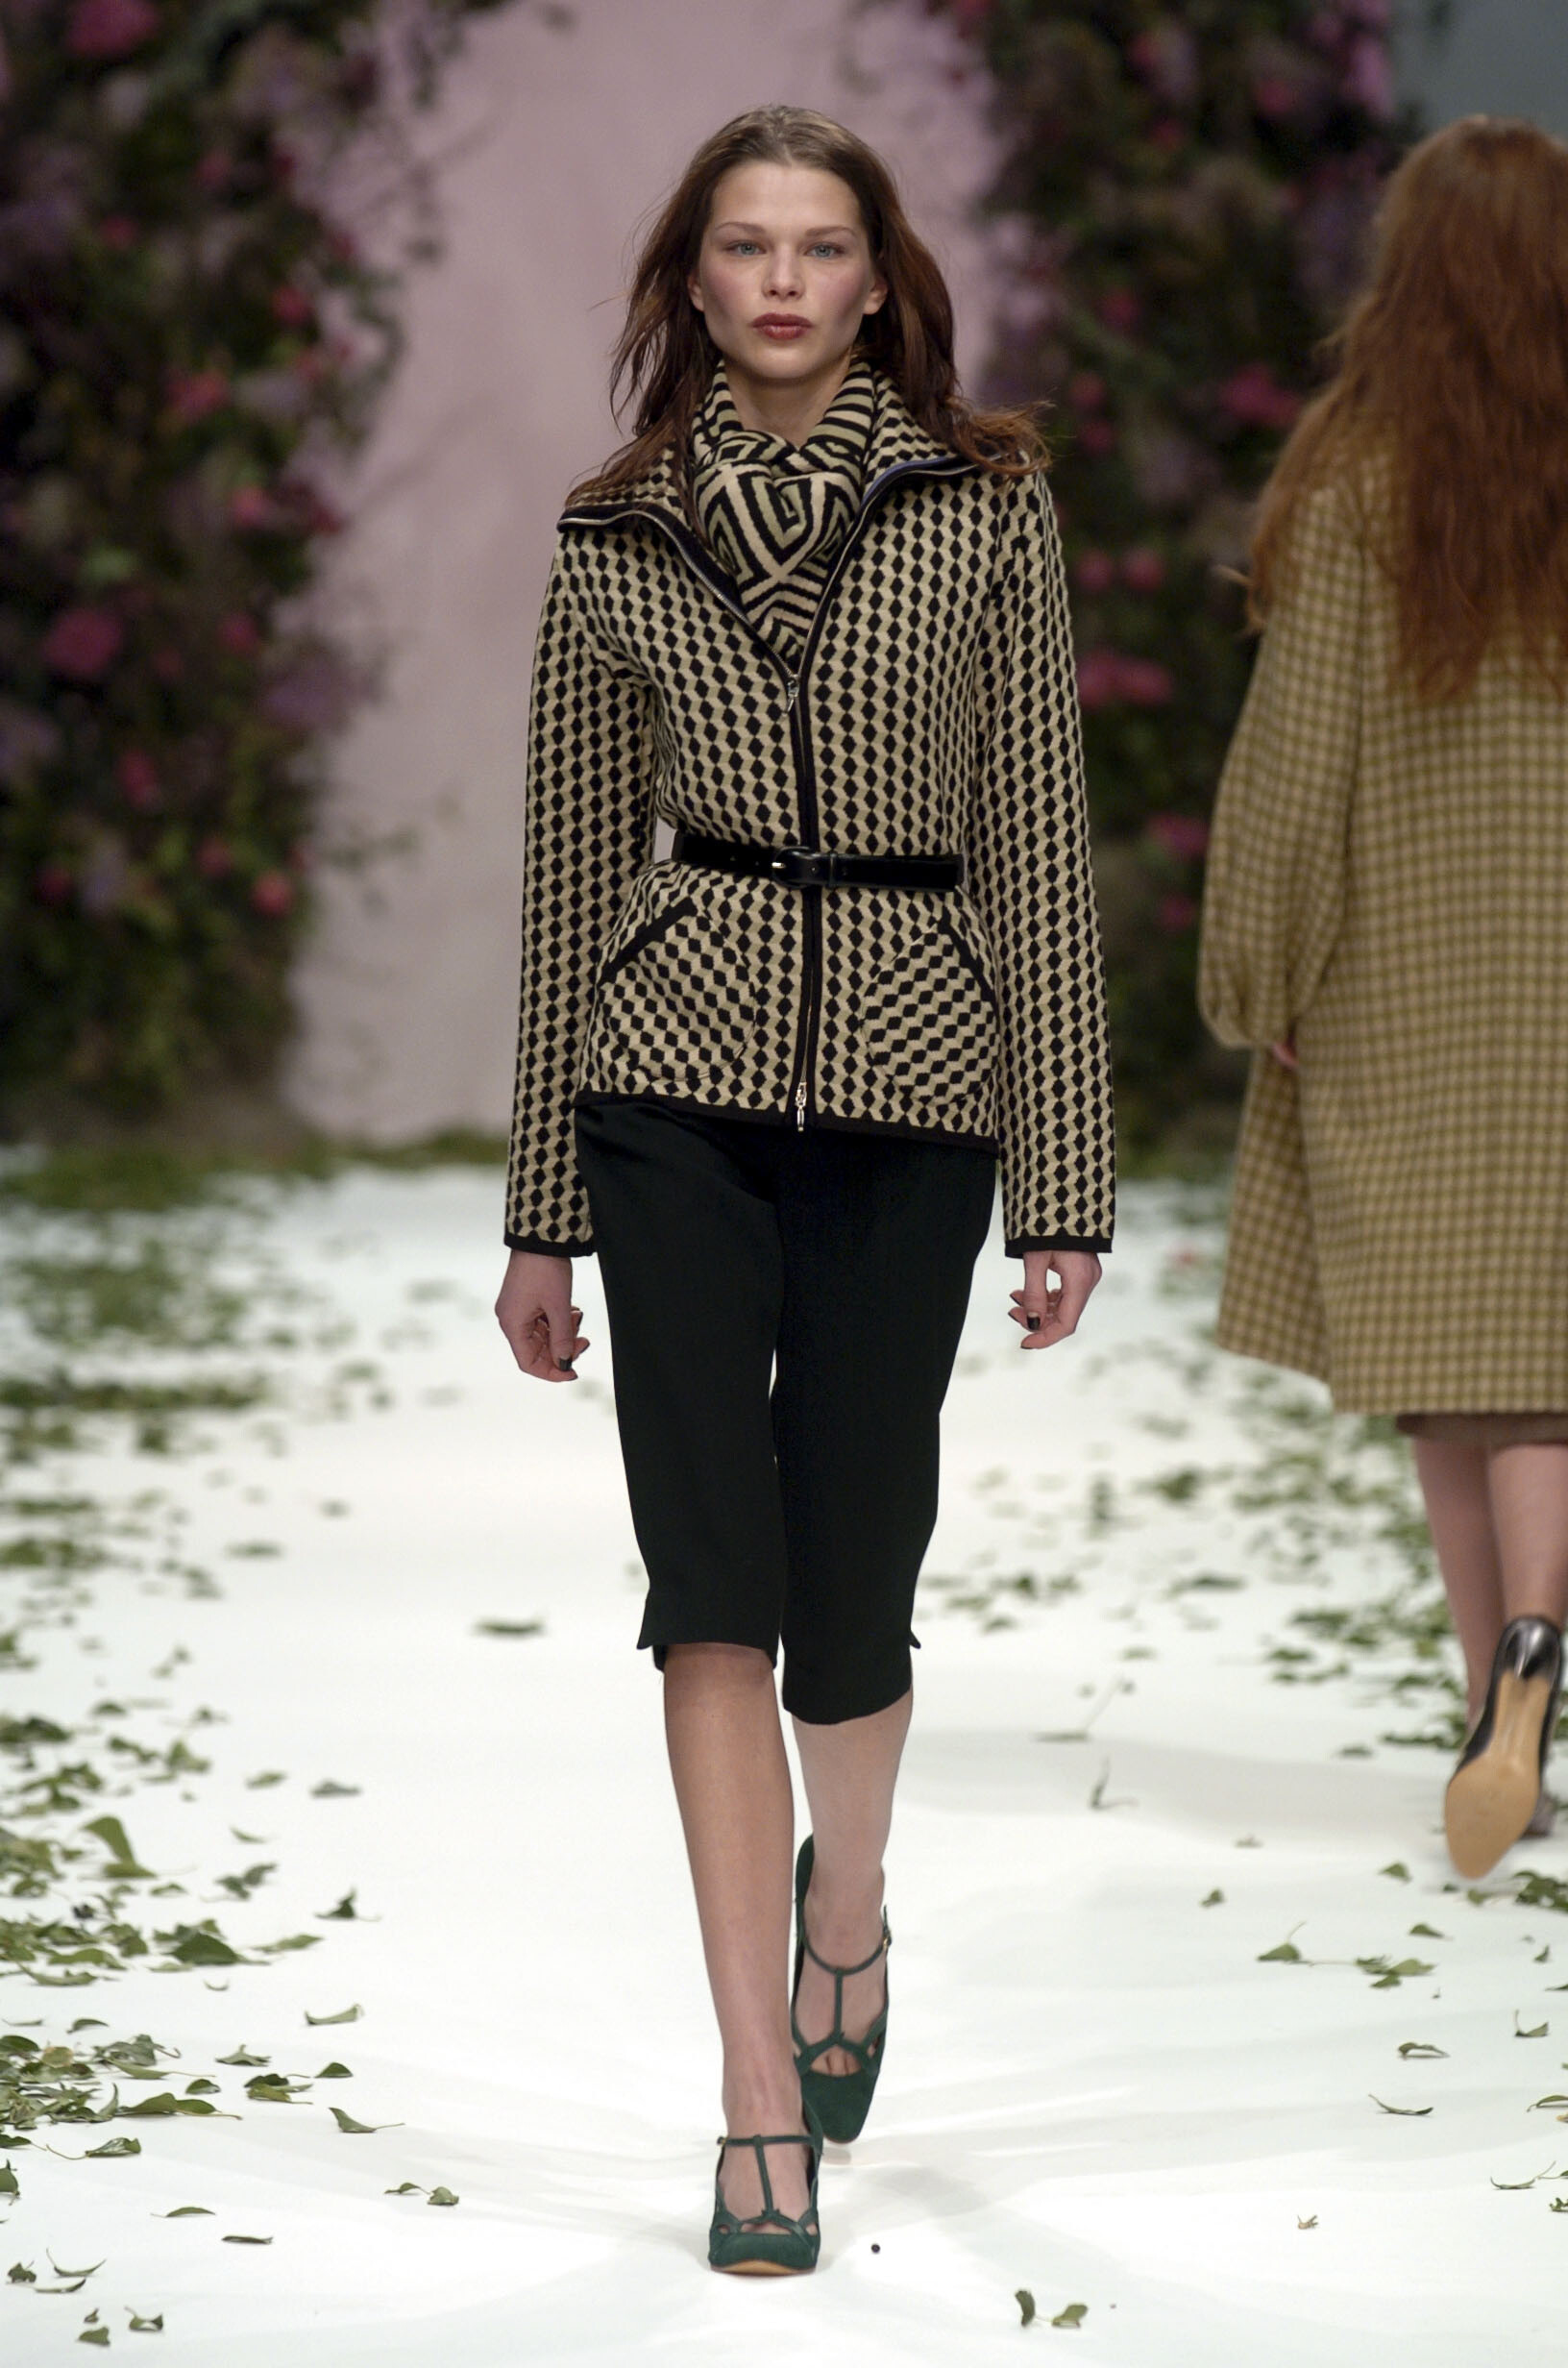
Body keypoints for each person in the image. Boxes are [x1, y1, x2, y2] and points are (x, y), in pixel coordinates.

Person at [494, 105, 1113, 2275]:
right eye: (744, 245)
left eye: (819, 246)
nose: (780, 280)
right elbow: (573, 868)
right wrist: (543, 1204)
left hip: (917, 1079)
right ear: (693, 276)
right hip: (670, 1074)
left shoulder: (982, 506)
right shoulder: (615, 530)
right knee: (709, 1584)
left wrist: (1067, 1177)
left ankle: (846, 1893)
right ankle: (757, 2092)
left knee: (856, 1587)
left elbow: (1039, 834)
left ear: (874, 279)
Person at [1199, 117, 1568, 1887]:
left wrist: (1261, 967)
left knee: (1449, 1362)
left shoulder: (1356, 480)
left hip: (1411, 979)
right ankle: (1539, 1661)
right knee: (1551, 1355)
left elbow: (1299, 757)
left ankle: (1490, 1704)